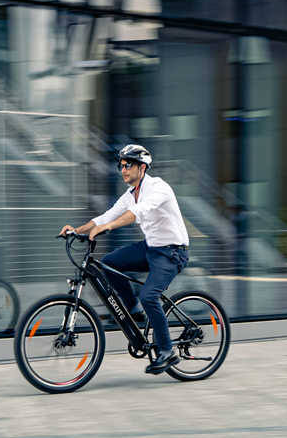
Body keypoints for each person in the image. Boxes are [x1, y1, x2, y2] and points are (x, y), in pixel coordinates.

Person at [59, 144, 190, 374]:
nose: (123, 169)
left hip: (172, 251)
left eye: (128, 165)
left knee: (149, 295)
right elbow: (106, 216)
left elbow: (137, 212)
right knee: (109, 263)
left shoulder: (158, 187)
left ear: (142, 167)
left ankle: (167, 351)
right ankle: (133, 309)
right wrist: (77, 230)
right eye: (121, 165)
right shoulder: (130, 194)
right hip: (151, 248)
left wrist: (108, 227)